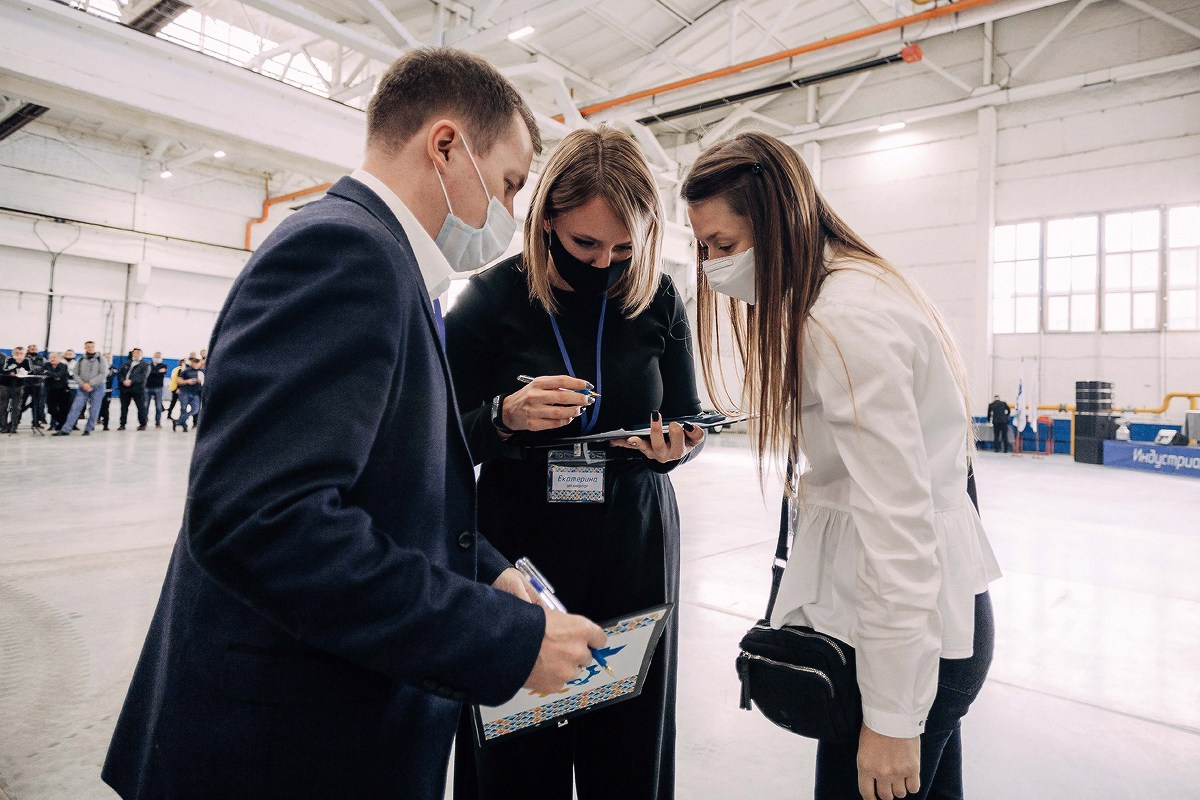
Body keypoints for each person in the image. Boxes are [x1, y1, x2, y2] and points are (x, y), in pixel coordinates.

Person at [102, 47, 606, 800]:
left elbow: (386, 487)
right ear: (444, 146)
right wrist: (504, 639)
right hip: (281, 747)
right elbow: (264, 520)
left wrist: (489, 569)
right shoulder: (347, 253)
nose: (508, 210)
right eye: (509, 182)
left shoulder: (394, 268)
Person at [681, 132, 1002, 800]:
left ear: (778, 226)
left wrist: (891, 716)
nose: (711, 267)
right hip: (927, 637)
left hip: (908, 651)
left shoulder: (842, 320)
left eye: (724, 246)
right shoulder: (846, 293)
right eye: (703, 248)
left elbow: (898, 529)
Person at [446, 126, 705, 800]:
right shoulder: (490, 299)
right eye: (586, 244)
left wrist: (676, 444)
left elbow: (685, 409)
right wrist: (504, 415)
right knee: (514, 744)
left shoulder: (658, 295)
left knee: (627, 744)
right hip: (519, 546)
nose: (604, 264)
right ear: (546, 219)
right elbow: (436, 442)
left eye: (624, 246)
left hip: (633, 540)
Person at [55, 342, 108, 436]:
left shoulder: (101, 359)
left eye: (92, 347)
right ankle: (66, 429)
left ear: (94, 347)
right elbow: (75, 374)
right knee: (75, 408)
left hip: (98, 387)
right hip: (82, 387)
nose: (90, 348)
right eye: (88, 347)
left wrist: (90, 384)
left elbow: (103, 374)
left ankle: (88, 429)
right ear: (85, 347)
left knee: (94, 409)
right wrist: (83, 384)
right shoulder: (80, 359)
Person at [117, 348, 151, 430]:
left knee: (141, 407)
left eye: (138, 353)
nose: (136, 354)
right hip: (125, 389)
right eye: (135, 353)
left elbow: (143, 376)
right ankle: (122, 424)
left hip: (138, 389)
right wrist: (123, 381)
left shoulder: (145, 365)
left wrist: (131, 381)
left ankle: (143, 424)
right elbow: (120, 374)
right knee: (124, 407)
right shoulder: (126, 363)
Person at [1, 346, 30, 433]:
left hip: (18, 386)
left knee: (16, 407)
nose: (19, 355)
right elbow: (4, 369)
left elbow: (30, 371)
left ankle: (14, 426)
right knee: (3, 406)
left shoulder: (26, 361)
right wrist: (12, 370)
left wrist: (25, 372)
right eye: (17, 353)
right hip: (5, 385)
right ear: (13, 353)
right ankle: (3, 426)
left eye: (21, 353)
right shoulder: (9, 360)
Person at [43, 352, 72, 431]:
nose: (52, 359)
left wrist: (48, 373)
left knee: (63, 409)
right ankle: (63, 422)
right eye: (51, 357)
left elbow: (59, 375)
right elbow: (41, 371)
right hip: (51, 390)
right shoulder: (46, 365)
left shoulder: (63, 366)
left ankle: (62, 425)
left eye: (55, 357)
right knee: (51, 409)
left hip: (63, 390)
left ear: (59, 358)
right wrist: (54, 376)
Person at [172, 357, 202, 432]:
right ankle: (184, 425)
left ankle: (178, 421)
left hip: (196, 393)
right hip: (185, 392)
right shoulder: (185, 371)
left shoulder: (202, 372)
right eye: (194, 363)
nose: (195, 365)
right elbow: (178, 380)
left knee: (195, 409)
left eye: (197, 364)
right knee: (183, 409)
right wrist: (187, 381)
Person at [25, 343, 46, 428]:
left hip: (37, 384)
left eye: (35, 348)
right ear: (28, 349)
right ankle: (14, 422)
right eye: (32, 348)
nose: (33, 350)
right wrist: (36, 369)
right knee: (21, 404)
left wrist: (33, 369)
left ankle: (36, 422)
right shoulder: (24, 358)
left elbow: (43, 369)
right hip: (25, 384)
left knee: (36, 405)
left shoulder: (42, 359)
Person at [146, 352, 169, 428]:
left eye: (158, 356)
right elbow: (149, 373)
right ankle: (144, 421)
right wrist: (158, 371)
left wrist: (154, 372)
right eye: (156, 356)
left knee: (158, 406)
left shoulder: (164, 365)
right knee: (146, 405)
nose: (157, 357)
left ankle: (158, 422)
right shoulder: (148, 365)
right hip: (148, 387)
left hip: (158, 388)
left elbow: (159, 373)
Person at [97, 352, 117, 431]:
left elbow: (110, 377)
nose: (107, 359)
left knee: (106, 407)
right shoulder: (98, 367)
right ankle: (97, 418)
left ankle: (106, 424)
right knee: (96, 406)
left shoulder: (113, 368)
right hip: (97, 390)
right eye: (105, 357)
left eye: (109, 357)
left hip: (107, 390)